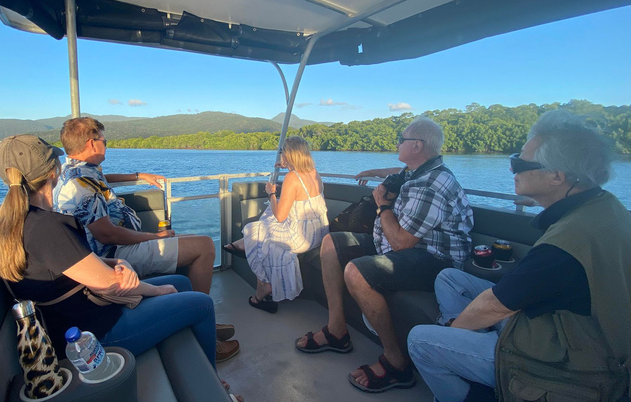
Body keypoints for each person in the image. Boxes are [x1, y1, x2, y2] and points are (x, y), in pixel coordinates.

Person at [408, 110, 631, 402]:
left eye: (519, 162)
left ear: (556, 176)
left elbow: (495, 306)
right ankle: (469, 360)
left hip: (567, 362)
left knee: (420, 340)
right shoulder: (605, 207)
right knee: (449, 278)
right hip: (560, 321)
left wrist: (453, 332)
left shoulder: (566, 244)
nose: (512, 170)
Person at [0, 135, 223, 368]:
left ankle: (193, 355)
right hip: (93, 338)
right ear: (53, 171)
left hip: (73, 321)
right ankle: (211, 384)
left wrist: (116, 261)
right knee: (201, 304)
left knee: (180, 281)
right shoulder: (45, 227)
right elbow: (111, 285)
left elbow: (71, 265)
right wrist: (157, 290)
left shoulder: (18, 221)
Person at [294, 116, 474, 394]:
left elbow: (402, 242)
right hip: (395, 244)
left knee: (356, 271)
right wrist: (373, 171)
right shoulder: (418, 170)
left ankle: (396, 364)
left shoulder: (433, 184)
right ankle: (337, 331)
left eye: (401, 139)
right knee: (331, 243)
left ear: (416, 146)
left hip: (434, 260)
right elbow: (397, 172)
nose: (397, 143)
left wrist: (382, 206)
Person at [53, 117, 239, 362]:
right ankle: (202, 330)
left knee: (195, 239)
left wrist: (138, 175)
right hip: (114, 255)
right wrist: (154, 236)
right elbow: (108, 234)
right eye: (104, 140)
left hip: (118, 247)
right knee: (204, 246)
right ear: (92, 143)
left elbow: (103, 179)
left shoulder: (77, 171)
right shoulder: (81, 185)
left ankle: (202, 320)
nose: (106, 145)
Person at [222, 136, 329, 313]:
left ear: (290, 154)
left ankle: (262, 283)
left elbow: (280, 216)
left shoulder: (292, 178)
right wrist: (288, 166)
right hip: (318, 233)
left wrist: (271, 193)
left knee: (252, 231)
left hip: (300, 239)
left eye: (284, 152)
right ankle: (244, 250)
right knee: (266, 224)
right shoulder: (313, 172)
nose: (282, 155)